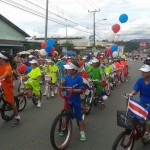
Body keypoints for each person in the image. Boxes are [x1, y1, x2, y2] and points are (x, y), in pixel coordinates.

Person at [63, 60, 86, 141]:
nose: (67, 70)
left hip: (76, 100)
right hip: (68, 99)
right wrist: (61, 84)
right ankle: (64, 128)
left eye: (69, 69)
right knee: (65, 114)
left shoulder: (79, 78)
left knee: (79, 117)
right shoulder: (68, 77)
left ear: (74, 70)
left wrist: (73, 90)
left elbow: (81, 90)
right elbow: (64, 85)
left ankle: (82, 132)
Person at [127, 63, 150, 142]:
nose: (142, 73)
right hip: (142, 102)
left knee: (147, 117)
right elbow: (136, 90)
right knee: (135, 113)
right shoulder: (140, 80)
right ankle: (138, 127)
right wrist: (130, 94)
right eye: (142, 71)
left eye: (144, 72)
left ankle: (147, 133)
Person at [0, 51, 21, 126]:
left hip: (8, 86)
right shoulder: (1, 64)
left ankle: (17, 117)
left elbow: (5, 75)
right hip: (2, 84)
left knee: (11, 103)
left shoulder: (8, 67)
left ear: (2, 59)